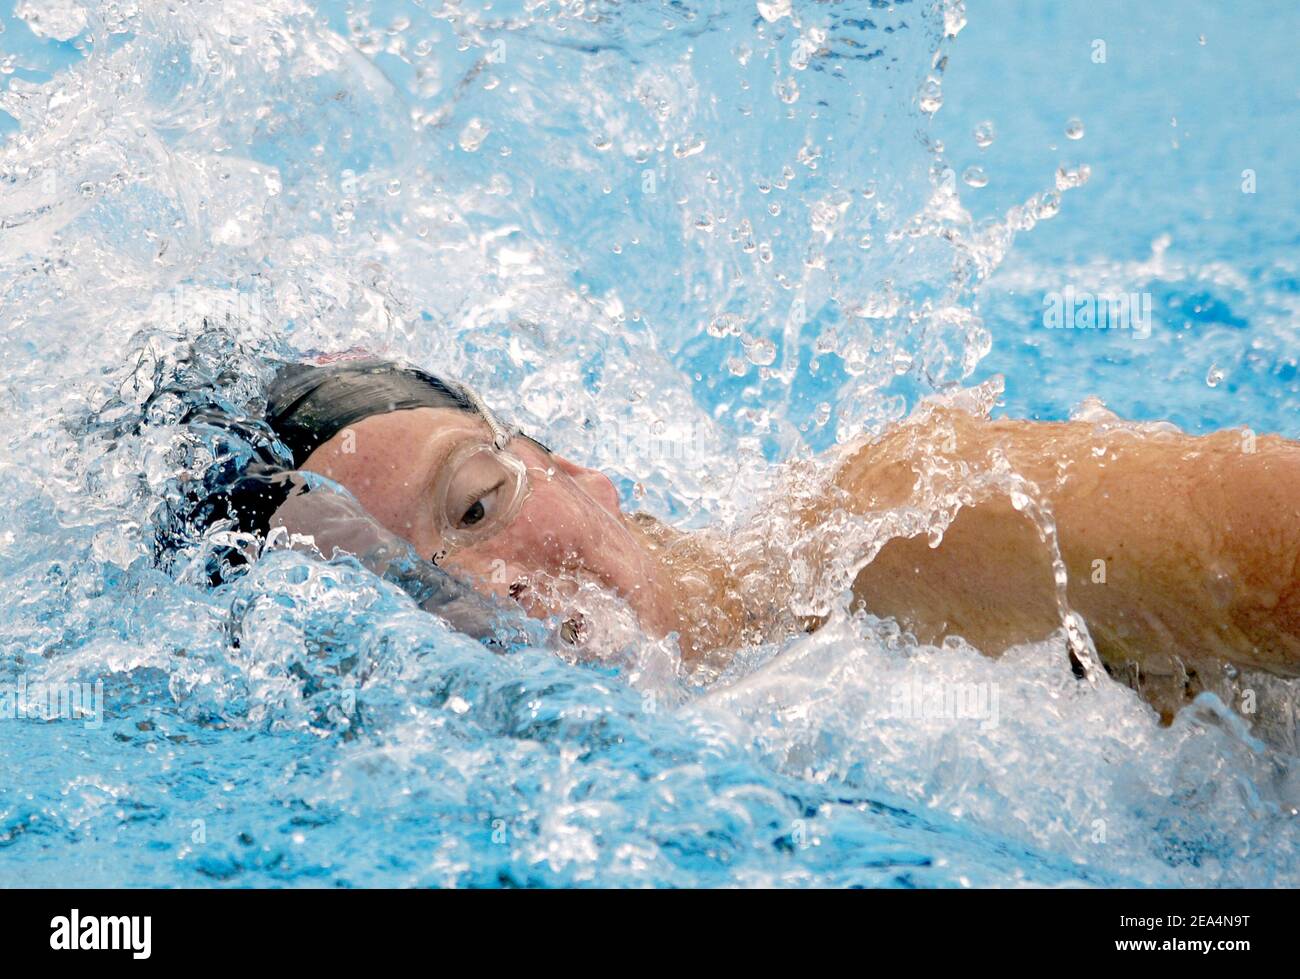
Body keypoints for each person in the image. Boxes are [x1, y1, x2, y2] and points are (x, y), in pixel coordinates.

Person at [211, 354, 1300, 721]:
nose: (490, 593)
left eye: (479, 505)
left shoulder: (904, 527)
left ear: (576, 470)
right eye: (404, 595)